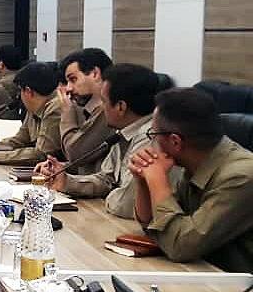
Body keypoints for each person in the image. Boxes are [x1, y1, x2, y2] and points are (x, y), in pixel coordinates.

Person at [130, 88, 253, 272]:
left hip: (235, 285)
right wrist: (143, 180)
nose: (151, 143)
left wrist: (157, 180)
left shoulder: (241, 177)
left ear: (175, 142)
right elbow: (154, 226)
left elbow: (179, 246)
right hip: (205, 273)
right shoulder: (197, 162)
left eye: (153, 135)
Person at [40, 64, 175, 219]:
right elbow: (106, 179)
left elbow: (124, 205)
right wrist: (66, 182)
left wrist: (109, 195)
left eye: (103, 102)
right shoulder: (123, 131)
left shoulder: (150, 137)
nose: (101, 108)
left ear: (121, 107)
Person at [0, 62, 62, 166]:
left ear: (28, 91)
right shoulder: (35, 106)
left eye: (20, 90)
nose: (19, 96)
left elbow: (41, 154)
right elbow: (19, 140)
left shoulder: (55, 108)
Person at [58, 48, 115, 172]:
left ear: (95, 73)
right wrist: (60, 168)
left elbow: (75, 154)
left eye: (73, 79)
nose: (68, 88)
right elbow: (86, 161)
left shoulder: (109, 111)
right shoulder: (88, 109)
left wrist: (67, 114)